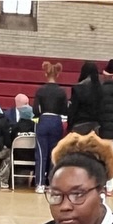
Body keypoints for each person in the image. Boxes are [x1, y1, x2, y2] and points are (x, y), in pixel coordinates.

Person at [33, 61, 68, 193]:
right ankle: (52, 183)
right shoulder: (61, 91)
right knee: (54, 154)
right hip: (56, 121)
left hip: (43, 120)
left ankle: (40, 184)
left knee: (41, 153)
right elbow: (65, 110)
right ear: (57, 74)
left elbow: (35, 110)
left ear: (45, 74)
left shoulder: (40, 90)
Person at [67, 61, 101, 133]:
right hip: (95, 126)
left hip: (79, 125)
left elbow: (73, 110)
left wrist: (69, 127)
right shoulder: (100, 89)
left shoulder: (77, 89)